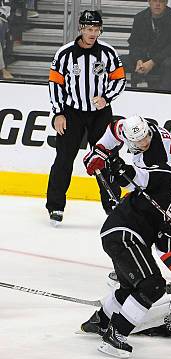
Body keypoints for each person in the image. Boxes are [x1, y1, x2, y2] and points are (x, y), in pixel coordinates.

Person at [82, 151, 171, 358]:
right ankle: (116, 335)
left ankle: (99, 321)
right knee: (152, 285)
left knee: (131, 288)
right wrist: (123, 169)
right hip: (124, 232)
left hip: (127, 238)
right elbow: (137, 178)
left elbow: (164, 247)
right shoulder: (167, 176)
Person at [47, 10, 126, 226]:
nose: (93, 34)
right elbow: (55, 84)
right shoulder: (64, 54)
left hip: (100, 115)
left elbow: (120, 79)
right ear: (81, 29)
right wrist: (58, 112)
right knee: (64, 159)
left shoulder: (108, 52)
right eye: (89, 29)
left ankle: (113, 204)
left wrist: (106, 97)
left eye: (96, 29)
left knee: (107, 159)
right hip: (72, 114)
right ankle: (55, 205)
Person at [82, 116, 171, 229]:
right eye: (139, 140)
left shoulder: (154, 155)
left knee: (158, 222)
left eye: (146, 136)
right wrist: (98, 151)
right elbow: (112, 132)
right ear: (128, 138)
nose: (145, 142)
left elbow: (152, 185)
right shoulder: (129, 128)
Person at [125, 0, 171, 91]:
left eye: (161, 1)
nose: (157, 4)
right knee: (118, 62)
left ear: (166, 2)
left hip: (165, 59)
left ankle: (165, 96)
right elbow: (134, 43)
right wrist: (138, 60)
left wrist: (153, 61)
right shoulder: (140, 17)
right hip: (144, 58)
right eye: (154, 1)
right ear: (149, 1)